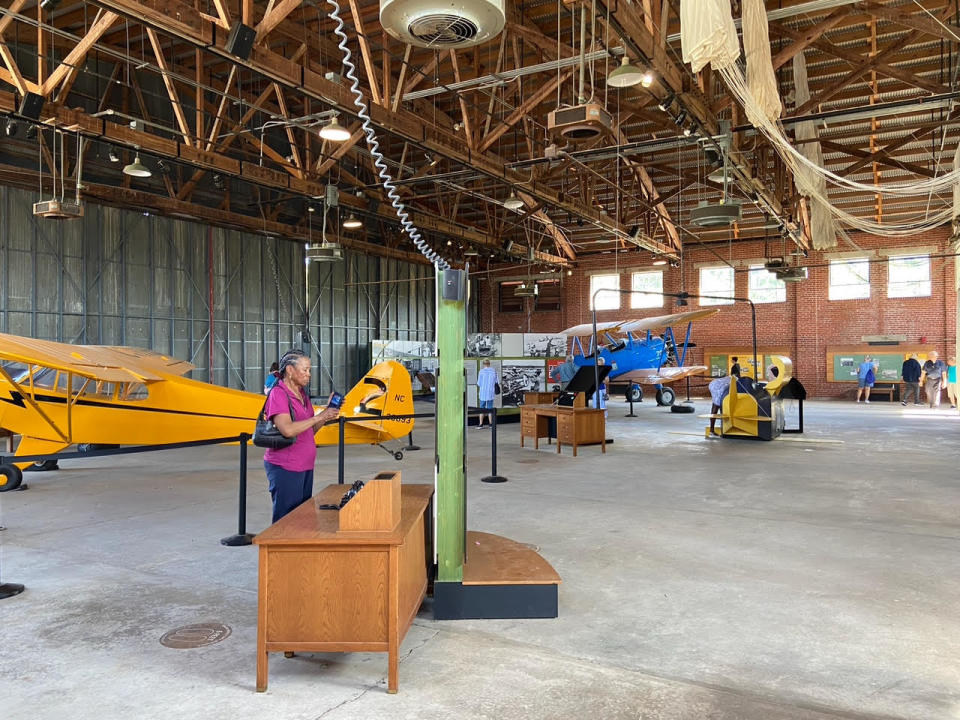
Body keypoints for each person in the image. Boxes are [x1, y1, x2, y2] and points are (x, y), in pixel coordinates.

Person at [262, 349, 339, 523]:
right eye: (304, 370)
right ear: (290, 370)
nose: (308, 374)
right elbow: (287, 430)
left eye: (309, 370)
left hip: (304, 466)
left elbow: (309, 431)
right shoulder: (279, 394)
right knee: (286, 520)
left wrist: (326, 414)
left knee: (302, 518)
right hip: (286, 467)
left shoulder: (302, 394)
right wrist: (318, 417)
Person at [476, 358, 497, 428]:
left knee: (482, 408)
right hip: (490, 393)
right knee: (490, 408)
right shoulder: (493, 371)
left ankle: (481, 424)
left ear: (483, 364)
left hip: (483, 393)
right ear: (489, 363)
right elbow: (496, 382)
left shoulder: (481, 372)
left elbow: (479, 383)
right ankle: (491, 424)